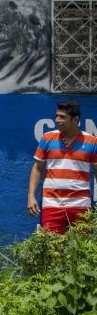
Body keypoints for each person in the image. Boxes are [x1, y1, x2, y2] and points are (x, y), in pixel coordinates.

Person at [28, 100, 97, 234]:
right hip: (52, 205)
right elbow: (37, 168)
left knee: (79, 251)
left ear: (75, 119)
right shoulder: (47, 138)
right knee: (52, 250)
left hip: (81, 206)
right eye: (57, 116)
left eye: (62, 117)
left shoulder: (92, 142)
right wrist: (31, 196)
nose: (57, 120)